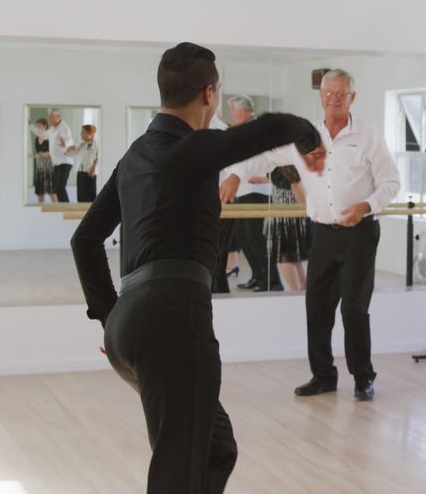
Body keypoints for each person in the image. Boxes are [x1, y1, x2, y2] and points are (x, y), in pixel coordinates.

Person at [70, 42, 324, 493]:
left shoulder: (136, 156)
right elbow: (263, 131)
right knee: (179, 471)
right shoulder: (190, 150)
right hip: (173, 323)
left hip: (131, 322)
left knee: (215, 448)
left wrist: (111, 318)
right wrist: (307, 134)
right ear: (209, 94)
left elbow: (85, 239)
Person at [234, 68, 400, 400]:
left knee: (354, 309)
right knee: (317, 307)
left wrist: (365, 206)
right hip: (322, 233)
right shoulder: (305, 136)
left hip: (360, 232)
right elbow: (264, 158)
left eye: (342, 93)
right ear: (321, 96)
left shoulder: (368, 134)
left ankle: (363, 377)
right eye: (329, 93)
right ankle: (323, 375)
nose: (334, 99)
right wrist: (236, 176)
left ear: (353, 97)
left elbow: (391, 182)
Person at [217, 96, 282, 292]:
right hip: (242, 192)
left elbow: (261, 159)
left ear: (244, 111)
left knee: (256, 238)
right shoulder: (242, 130)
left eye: (234, 112)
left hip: (257, 192)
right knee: (243, 237)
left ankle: (272, 281)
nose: (232, 116)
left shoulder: (257, 129)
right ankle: (258, 276)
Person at [264, 165, 310, 291]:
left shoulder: (278, 163)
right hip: (290, 214)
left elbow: (292, 186)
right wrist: (306, 208)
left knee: (287, 255)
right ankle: (300, 287)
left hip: (283, 214)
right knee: (291, 255)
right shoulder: (287, 163)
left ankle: (297, 288)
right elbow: (295, 186)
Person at [30, 108, 74, 202]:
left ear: (58, 117)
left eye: (51, 117)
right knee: (56, 188)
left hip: (65, 162)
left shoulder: (64, 128)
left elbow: (69, 141)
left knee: (60, 187)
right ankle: (63, 207)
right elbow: (43, 134)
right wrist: (30, 126)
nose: (50, 119)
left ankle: (66, 207)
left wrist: (65, 144)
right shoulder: (52, 129)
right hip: (57, 163)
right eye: (49, 117)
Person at [31, 118, 55, 203]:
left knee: (51, 188)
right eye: (36, 126)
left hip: (49, 165)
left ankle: (56, 207)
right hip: (39, 165)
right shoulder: (36, 139)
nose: (37, 128)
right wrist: (37, 155)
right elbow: (37, 151)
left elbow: (54, 151)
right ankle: (40, 207)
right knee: (40, 189)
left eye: (39, 126)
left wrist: (45, 154)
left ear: (45, 126)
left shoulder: (50, 137)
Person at [73, 124, 98, 202]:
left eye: (83, 132)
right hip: (81, 171)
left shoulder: (95, 144)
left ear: (89, 133)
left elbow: (98, 157)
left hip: (89, 172)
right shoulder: (82, 144)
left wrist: (93, 167)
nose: (81, 134)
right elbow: (73, 153)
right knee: (80, 196)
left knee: (89, 196)